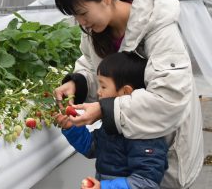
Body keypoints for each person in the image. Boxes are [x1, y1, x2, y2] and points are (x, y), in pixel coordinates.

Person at [53, 0, 203, 189]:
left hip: (162, 146)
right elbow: (97, 71)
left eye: (83, 13)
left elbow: (169, 98)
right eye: (76, 17)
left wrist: (104, 109)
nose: (81, 22)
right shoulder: (95, 30)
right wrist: (78, 83)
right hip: (121, 150)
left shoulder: (158, 27)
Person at [56, 52, 168, 189]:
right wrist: (71, 127)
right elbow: (92, 147)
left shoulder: (145, 135)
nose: (98, 92)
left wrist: (104, 187)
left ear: (126, 92)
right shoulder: (113, 122)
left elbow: (146, 183)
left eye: (103, 86)